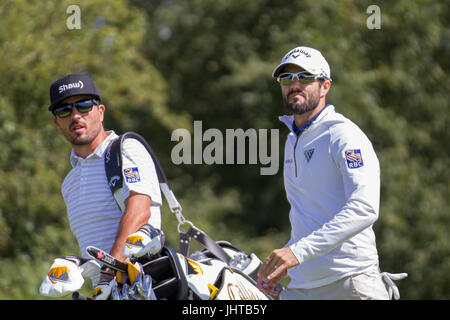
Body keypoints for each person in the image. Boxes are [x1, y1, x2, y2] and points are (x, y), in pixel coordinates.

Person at [257, 46, 406, 299]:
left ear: (324, 86)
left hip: (350, 282)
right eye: (286, 78)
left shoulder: (344, 136)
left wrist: (297, 252)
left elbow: (364, 208)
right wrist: (281, 261)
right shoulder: (293, 139)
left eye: (304, 77)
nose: (294, 84)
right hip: (303, 287)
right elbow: (310, 215)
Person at [48, 73, 163, 289]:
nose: (75, 116)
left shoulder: (125, 149)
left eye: (83, 106)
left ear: (100, 112)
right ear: (57, 122)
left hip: (145, 284)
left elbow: (139, 211)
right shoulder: (69, 183)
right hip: (108, 290)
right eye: (64, 110)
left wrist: (110, 271)